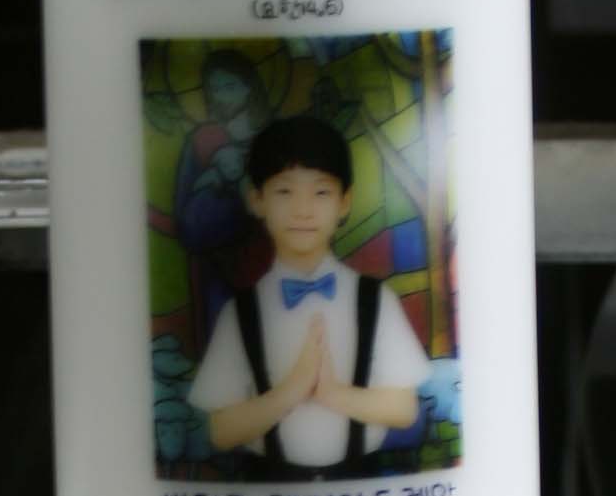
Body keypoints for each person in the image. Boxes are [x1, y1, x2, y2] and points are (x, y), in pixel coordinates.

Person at [183, 115, 431, 472]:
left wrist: (333, 393)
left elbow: (403, 409)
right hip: (267, 489)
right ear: (257, 200)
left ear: (344, 202)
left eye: (321, 192)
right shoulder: (240, 313)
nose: (303, 210)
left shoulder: (378, 302)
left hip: (359, 483)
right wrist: (290, 392)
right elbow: (221, 431)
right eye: (284, 192)